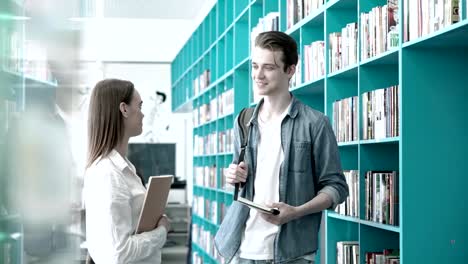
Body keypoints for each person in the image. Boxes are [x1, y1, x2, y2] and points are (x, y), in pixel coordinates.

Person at [214, 31, 349, 264]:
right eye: (255, 66)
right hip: (241, 249)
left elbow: (336, 188)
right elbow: (239, 184)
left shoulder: (315, 123)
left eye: (269, 67)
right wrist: (232, 176)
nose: (258, 75)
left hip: (292, 254)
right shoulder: (243, 120)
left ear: (290, 70)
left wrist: (295, 212)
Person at [83, 79, 170, 264]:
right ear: (124, 109)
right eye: (139, 106)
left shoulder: (125, 168)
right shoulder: (108, 174)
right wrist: (161, 232)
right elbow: (118, 254)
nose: (143, 114)